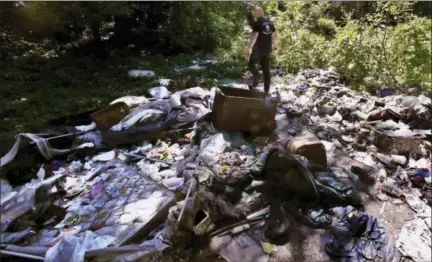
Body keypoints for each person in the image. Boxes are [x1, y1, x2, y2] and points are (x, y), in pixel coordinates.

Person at [244, 6, 278, 96]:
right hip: (267, 49)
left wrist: (248, 49)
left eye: (254, 13)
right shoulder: (270, 23)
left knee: (251, 63)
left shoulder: (258, 23)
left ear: (259, 12)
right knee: (266, 69)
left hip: (258, 49)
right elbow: (274, 36)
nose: (254, 15)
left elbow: (254, 37)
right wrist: (276, 46)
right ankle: (266, 90)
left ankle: (257, 75)